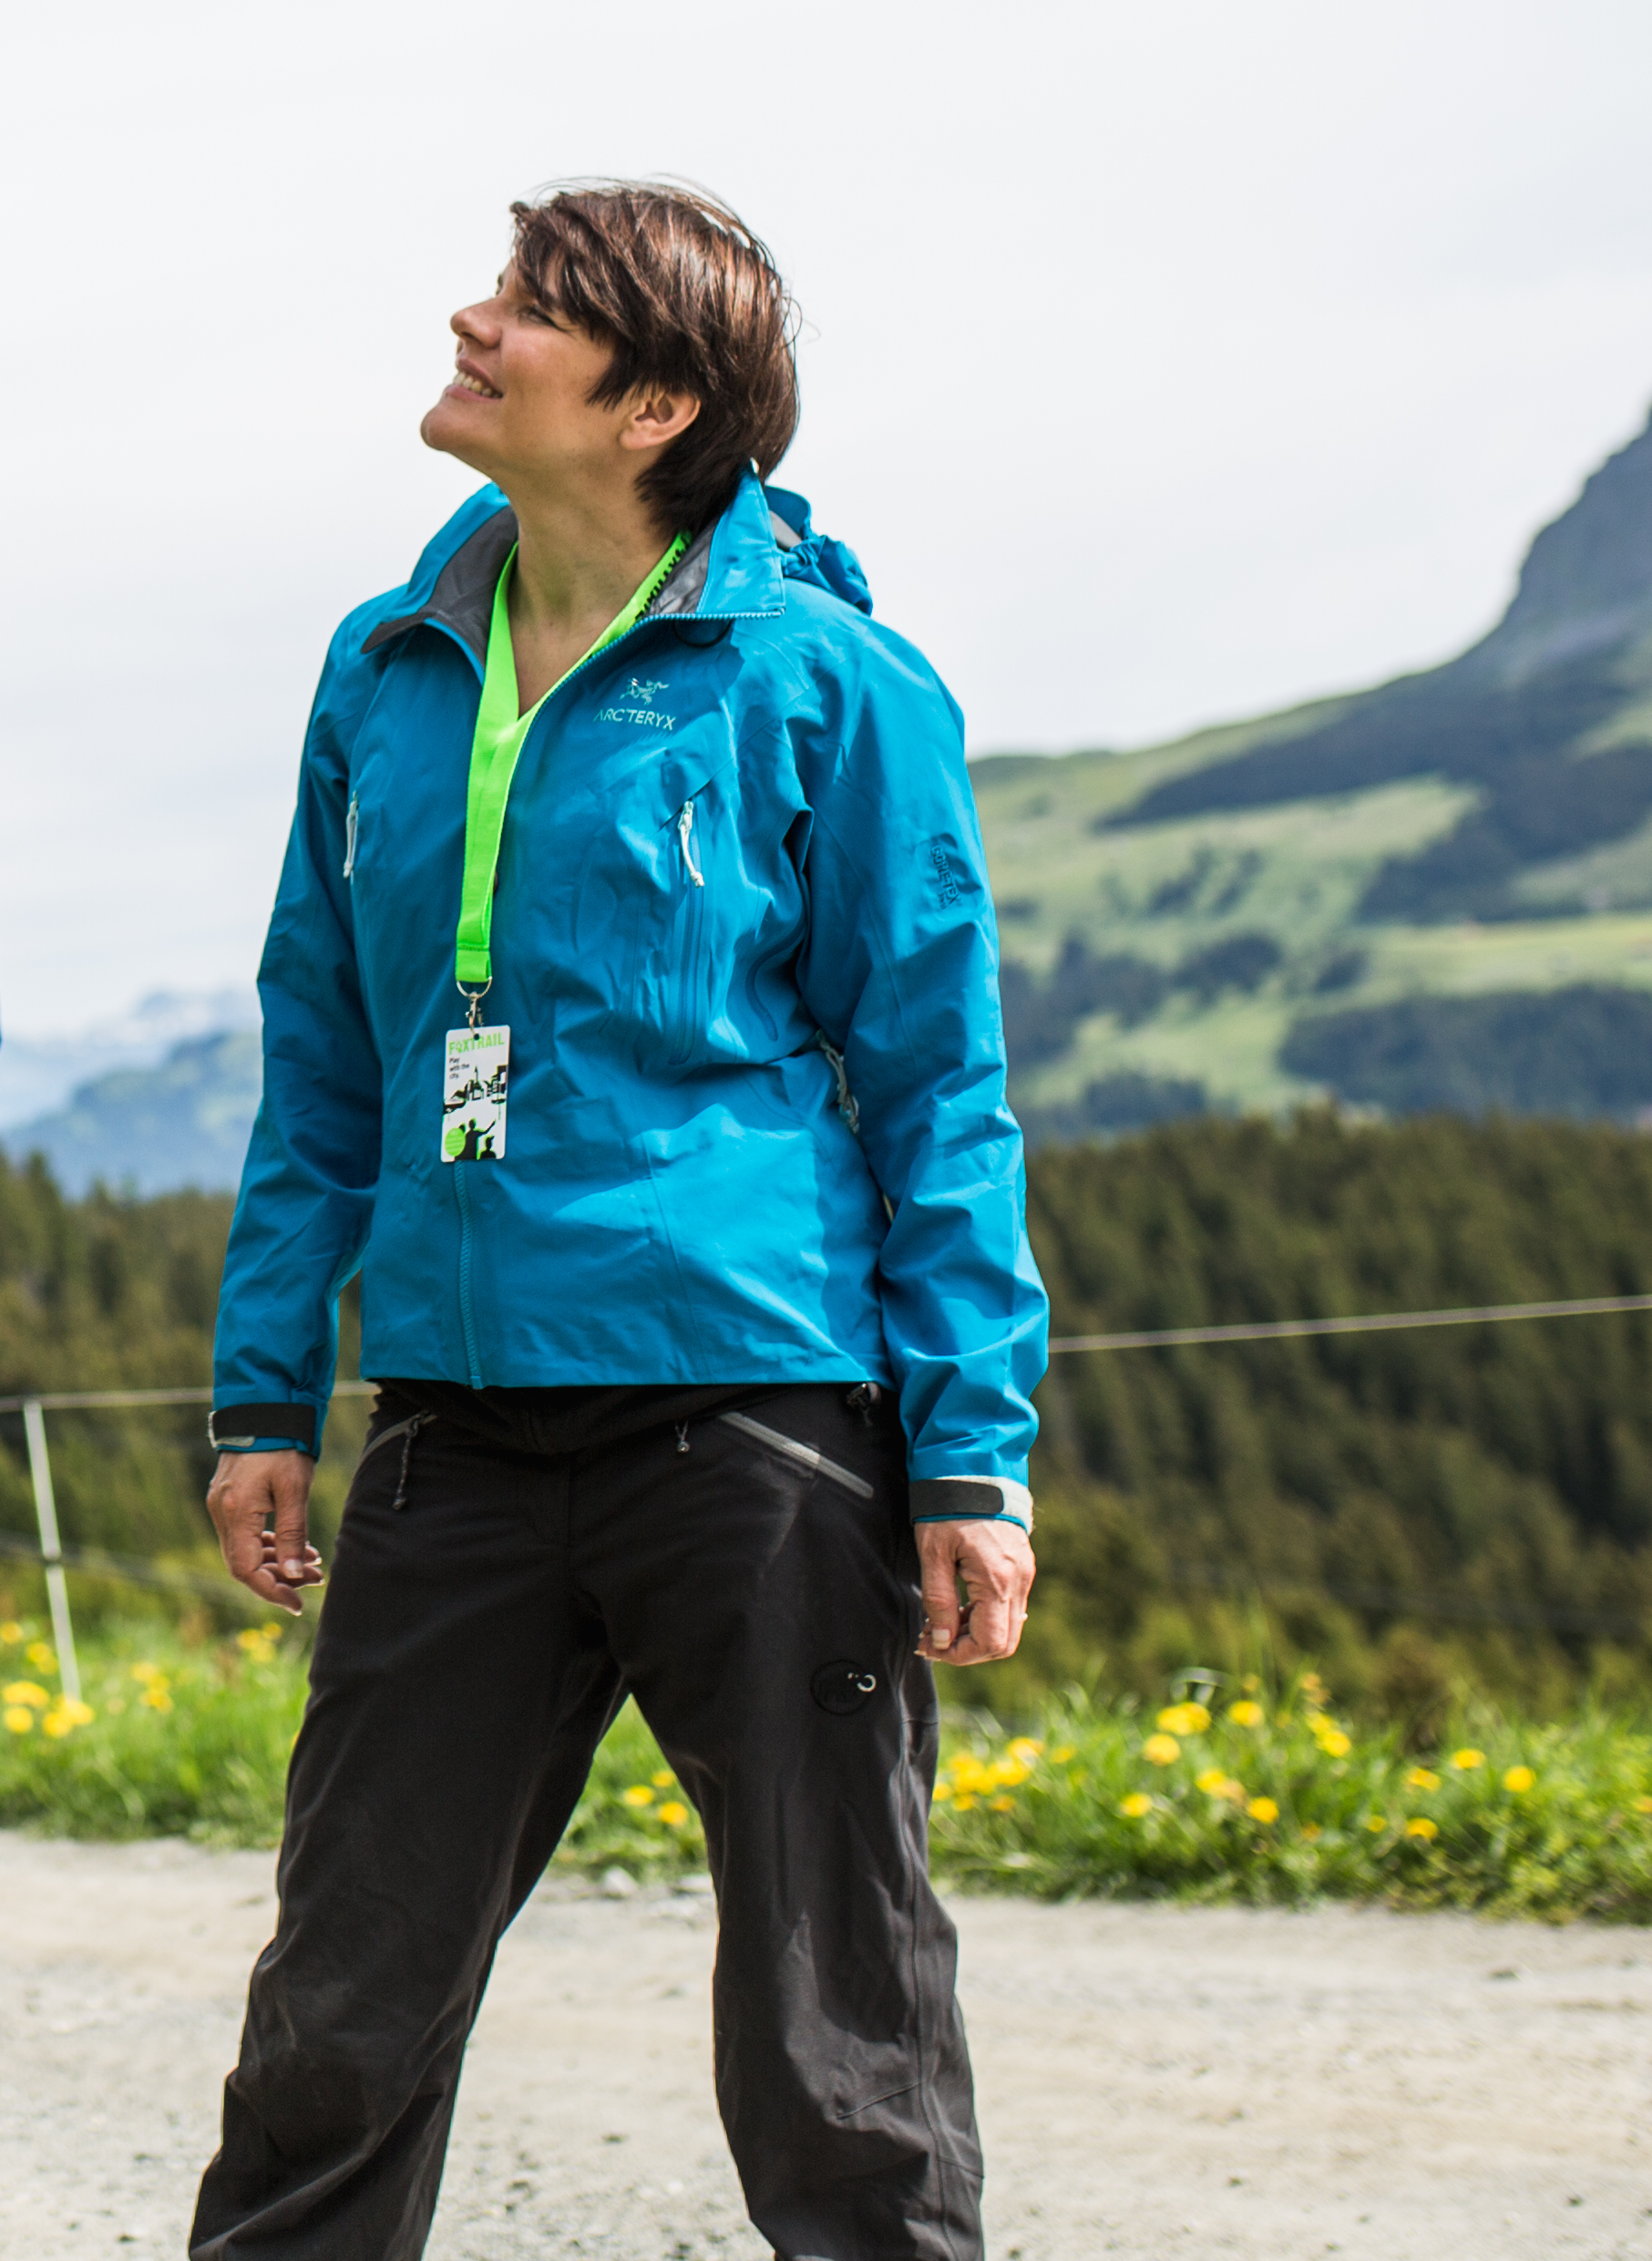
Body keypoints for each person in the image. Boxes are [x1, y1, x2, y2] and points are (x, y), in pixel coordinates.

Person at [190, 183, 1045, 2261]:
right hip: (459, 1430)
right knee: (338, 2011)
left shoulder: (836, 685)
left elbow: (939, 1086)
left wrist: (971, 1446)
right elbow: (320, 1057)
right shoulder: (384, 672)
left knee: (836, 2035)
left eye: (531, 308)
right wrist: (261, 1395)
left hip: (757, 1424)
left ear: (657, 403)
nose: (471, 324)